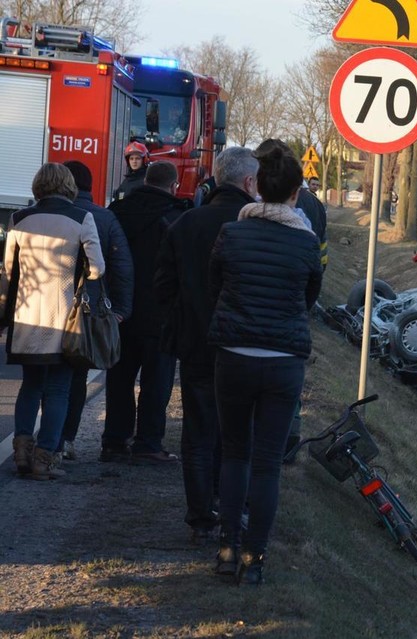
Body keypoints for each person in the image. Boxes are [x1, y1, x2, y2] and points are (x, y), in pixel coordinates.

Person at [210, 146, 322, 585]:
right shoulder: (306, 242)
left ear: (256, 187)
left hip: (234, 356)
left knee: (235, 453)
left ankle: (226, 547)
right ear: (296, 192)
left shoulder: (231, 234)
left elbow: (214, 284)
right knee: (268, 463)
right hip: (283, 361)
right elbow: (308, 298)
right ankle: (256, 556)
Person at [155, 147, 259, 543]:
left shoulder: (185, 224)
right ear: (250, 182)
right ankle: (231, 508)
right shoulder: (254, 227)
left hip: (196, 342)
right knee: (236, 435)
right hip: (244, 344)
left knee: (198, 432)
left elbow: (162, 287)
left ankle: (200, 516)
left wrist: (181, 324)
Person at [1, 164, 105, 479]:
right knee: (59, 388)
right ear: (69, 187)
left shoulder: (19, 219)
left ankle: (21, 450)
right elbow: (98, 268)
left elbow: (7, 273)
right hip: (63, 319)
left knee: (30, 385)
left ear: (38, 186)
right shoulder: (81, 219)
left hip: (26, 316)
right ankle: (44, 459)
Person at [103, 161, 189, 464]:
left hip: (120, 311)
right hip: (160, 314)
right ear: (173, 185)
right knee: (156, 382)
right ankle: (148, 443)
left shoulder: (119, 211)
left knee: (119, 380)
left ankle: (114, 441)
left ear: (145, 181)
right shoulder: (178, 217)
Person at [253, 140, 328, 461]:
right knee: (288, 381)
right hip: (293, 310)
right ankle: (289, 433)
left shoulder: (251, 208)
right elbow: (320, 264)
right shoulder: (314, 206)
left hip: (253, 315)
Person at [58, 161, 135, 462]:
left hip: (44, 310)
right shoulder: (105, 218)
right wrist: (121, 310)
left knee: (43, 377)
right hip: (85, 313)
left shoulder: (42, 214)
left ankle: (36, 439)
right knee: (76, 375)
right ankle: (66, 439)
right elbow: (122, 267)